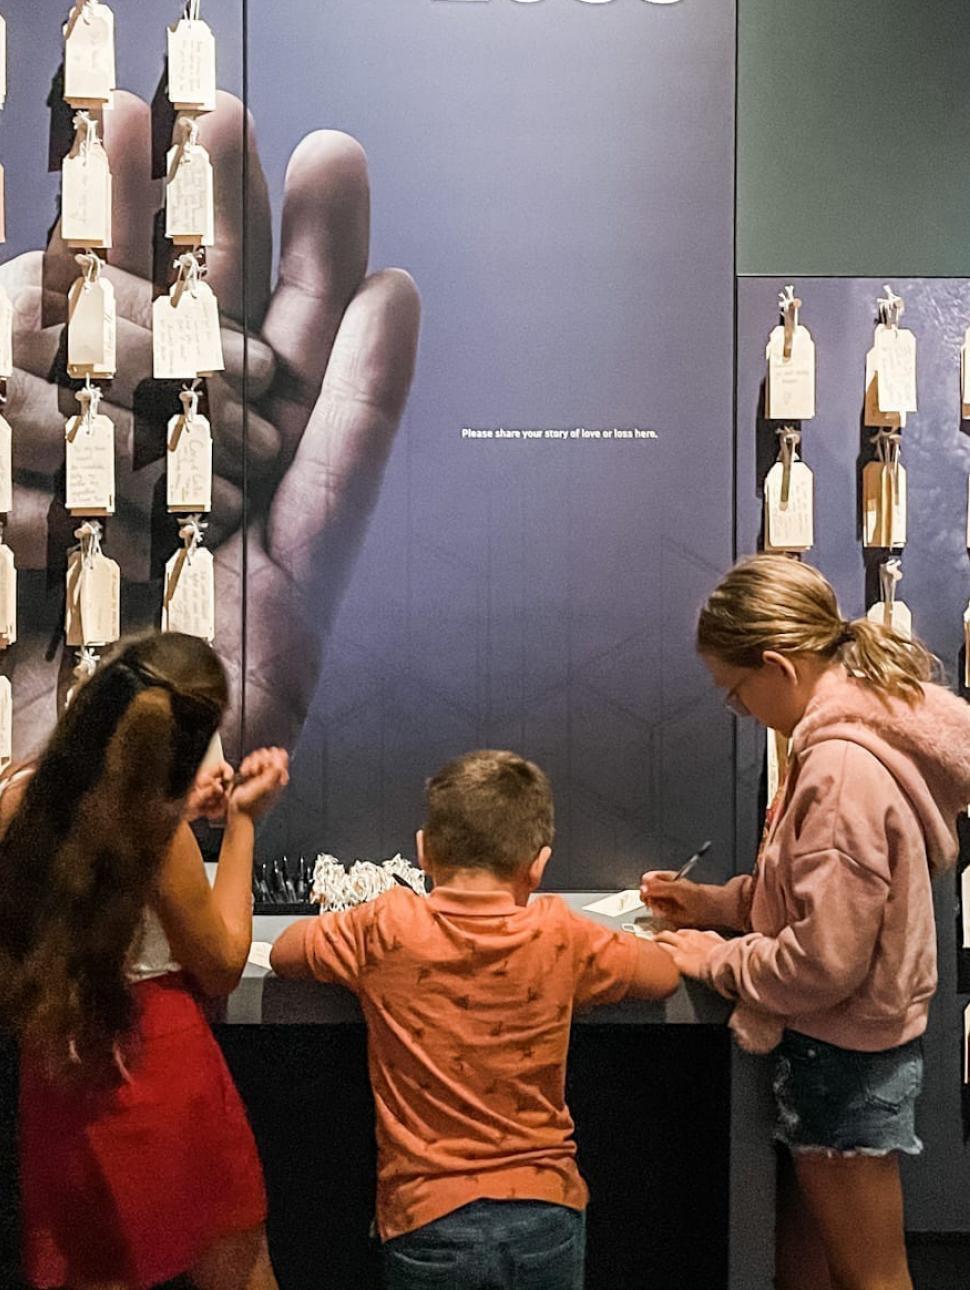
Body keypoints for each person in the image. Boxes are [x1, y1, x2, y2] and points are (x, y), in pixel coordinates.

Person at [641, 555, 970, 1290]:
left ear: (776, 667)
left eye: (736, 693)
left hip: (843, 1060)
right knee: (819, 1261)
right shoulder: (852, 746)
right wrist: (718, 904)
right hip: (848, 1053)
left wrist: (712, 958)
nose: (743, 709)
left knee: (871, 1275)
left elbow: (823, 961)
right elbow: (818, 900)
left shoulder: (838, 771)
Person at [270, 749, 680, 1290]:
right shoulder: (560, 935)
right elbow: (662, 975)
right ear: (538, 865)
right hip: (545, 1210)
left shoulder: (385, 927)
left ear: (424, 851)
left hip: (425, 1217)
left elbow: (284, 952)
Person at [0, 631, 290, 1290]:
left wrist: (174, 804)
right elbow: (220, 962)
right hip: (156, 1059)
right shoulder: (160, 837)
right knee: (236, 1268)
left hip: (60, 1076)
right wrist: (243, 821)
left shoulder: (19, 794)